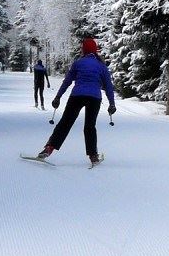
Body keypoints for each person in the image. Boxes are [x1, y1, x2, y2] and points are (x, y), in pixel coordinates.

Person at [35, 37, 116, 166]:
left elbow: (67, 82)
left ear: (84, 50)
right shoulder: (101, 66)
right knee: (90, 127)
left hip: (77, 95)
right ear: (95, 50)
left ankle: (49, 148)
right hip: (94, 98)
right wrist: (112, 104)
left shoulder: (78, 63)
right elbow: (108, 86)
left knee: (65, 123)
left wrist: (58, 97)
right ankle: (93, 156)